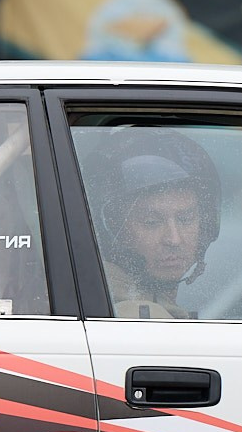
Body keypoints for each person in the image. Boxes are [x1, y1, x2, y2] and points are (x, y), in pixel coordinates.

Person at [92, 129, 223, 318]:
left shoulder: (102, 297)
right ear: (113, 229)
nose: (174, 239)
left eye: (185, 219)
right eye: (151, 222)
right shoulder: (138, 316)